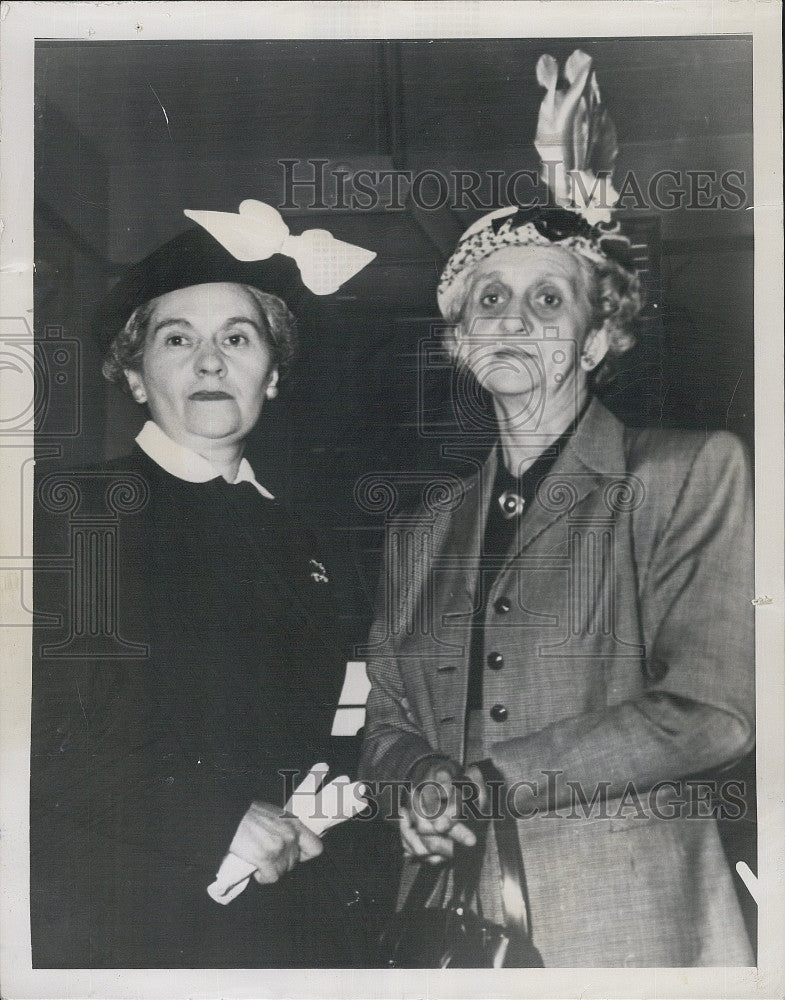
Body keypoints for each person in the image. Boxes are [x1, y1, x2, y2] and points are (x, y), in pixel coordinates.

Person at [359, 195, 755, 963]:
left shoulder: (688, 472)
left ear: (597, 336)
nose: (510, 319)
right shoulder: (418, 532)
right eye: (490, 298)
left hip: (631, 922)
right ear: (459, 337)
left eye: (546, 299)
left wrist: (488, 783)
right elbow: (385, 726)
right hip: (447, 922)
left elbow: (712, 712)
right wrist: (420, 780)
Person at [30, 206, 374, 967]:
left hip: (291, 918)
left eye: (237, 338)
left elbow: (342, 715)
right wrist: (216, 819)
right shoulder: (74, 515)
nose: (210, 362)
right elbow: (39, 739)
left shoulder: (310, 541)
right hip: (125, 920)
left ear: (273, 375)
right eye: (177, 338)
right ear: (133, 374)